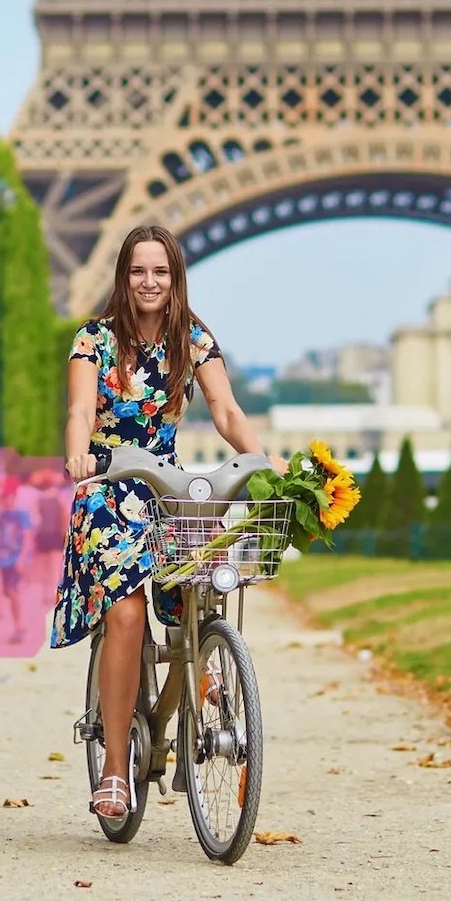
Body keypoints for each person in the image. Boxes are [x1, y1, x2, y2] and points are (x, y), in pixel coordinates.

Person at [51, 224, 267, 821]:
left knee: (196, 599)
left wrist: (263, 464)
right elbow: (79, 409)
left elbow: (226, 409)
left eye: (161, 272)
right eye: (138, 271)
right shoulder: (93, 340)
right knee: (124, 613)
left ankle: (195, 693)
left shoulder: (192, 340)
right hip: (106, 487)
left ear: (175, 280)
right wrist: (78, 456)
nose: (149, 282)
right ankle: (116, 768)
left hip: (166, 492)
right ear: (123, 277)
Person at [0, 476, 36, 644]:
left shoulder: (21, 514)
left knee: (12, 590)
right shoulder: (2, 515)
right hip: (4, 559)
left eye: (7, 496)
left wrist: (22, 559)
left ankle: (20, 627)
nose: (5, 500)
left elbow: (28, 537)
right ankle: (18, 625)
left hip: (16, 558)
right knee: (8, 592)